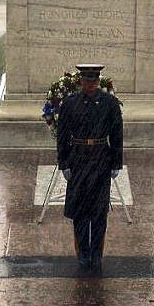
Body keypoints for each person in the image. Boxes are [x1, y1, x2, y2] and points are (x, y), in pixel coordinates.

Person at [57, 64, 123, 270]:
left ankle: (96, 253)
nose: (90, 85)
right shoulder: (69, 103)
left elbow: (117, 134)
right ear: (81, 82)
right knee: (80, 210)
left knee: (99, 210)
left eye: (93, 81)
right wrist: (64, 163)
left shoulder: (109, 103)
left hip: (101, 159)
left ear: (98, 82)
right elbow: (62, 135)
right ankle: (83, 252)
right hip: (78, 160)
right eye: (87, 81)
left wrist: (116, 162)